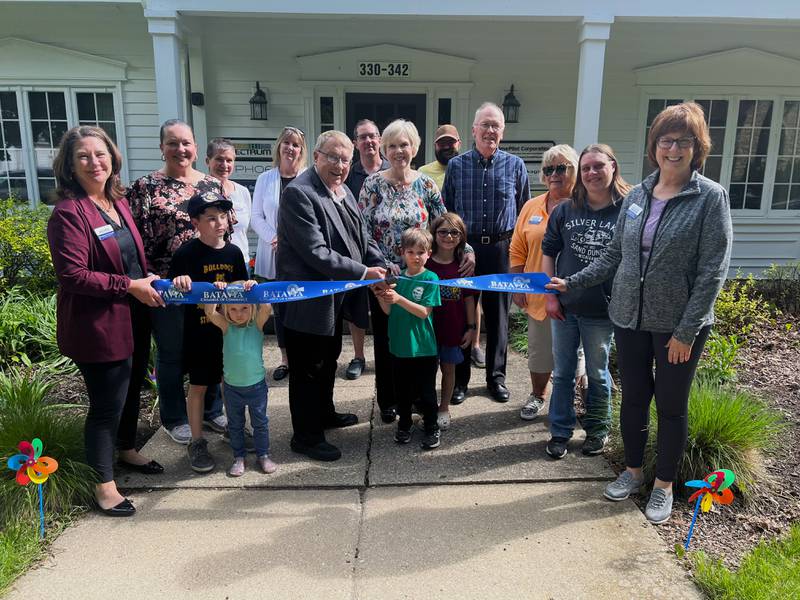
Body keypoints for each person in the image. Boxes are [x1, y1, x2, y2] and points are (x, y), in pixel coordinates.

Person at [547, 102, 733, 524]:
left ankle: (663, 487)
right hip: (629, 318)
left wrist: (687, 330)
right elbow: (615, 255)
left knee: (670, 405)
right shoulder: (638, 196)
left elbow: (712, 272)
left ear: (697, 147)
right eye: (666, 140)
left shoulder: (710, 198)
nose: (674, 148)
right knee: (633, 399)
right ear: (654, 147)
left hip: (677, 326)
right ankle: (633, 473)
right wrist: (571, 282)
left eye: (683, 141)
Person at [48, 126, 165, 517]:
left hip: (132, 316)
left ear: (112, 158)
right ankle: (104, 484)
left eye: (100, 154)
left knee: (132, 390)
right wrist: (129, 285)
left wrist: (145, 281)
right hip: (97, 324)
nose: (94, 162)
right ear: (69, 165)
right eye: (83, 156)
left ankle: (127, 449)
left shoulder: (117, 203)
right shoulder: (69, 213)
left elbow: (131, 259)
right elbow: (73, 275)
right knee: (105, 405)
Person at [276, 130, 387, 462]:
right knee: (307, 367)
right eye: (333, 157)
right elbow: (316, 252)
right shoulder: (299, 194)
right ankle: (306, 437)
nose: (339, 165)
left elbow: (361, 235)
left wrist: (377, 261)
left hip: (335, 299)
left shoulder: (342, 190)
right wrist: (363, 273)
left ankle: (323, 415)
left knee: (327, 360)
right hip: (307, 301)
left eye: (345, 159)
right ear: (317, 157)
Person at [358, 119, 471, 425]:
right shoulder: (372, 184)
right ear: (385, 149)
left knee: (421, 341)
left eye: (404, 145)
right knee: (387, 340)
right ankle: (389, 400)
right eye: (392, 145)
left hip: (420, 277)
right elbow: (363, 231)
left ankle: (421, 397)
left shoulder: (426, 184)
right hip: (385, 277)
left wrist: (467, 249)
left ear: (414, 148)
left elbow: (443, 224)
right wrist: (381, 264)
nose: (398, 151)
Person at [128, 119, 228, 445]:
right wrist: (146, 280)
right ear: (161, 148)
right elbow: (135, 241)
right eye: (172, 143)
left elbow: (225, 229)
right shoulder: (145, 188)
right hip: (168, 288)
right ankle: (174, 417)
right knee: (171, 352)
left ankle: (212, 410)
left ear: (196, 148)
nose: (180, 149)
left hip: (210, 285)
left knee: (211, 346)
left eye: (186, 142)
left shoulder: (212, 185)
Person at [541, 144, 631, 460]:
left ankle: (597, 431)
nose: (592, 172)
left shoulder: (627, 210)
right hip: (565, 306)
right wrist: (551, 296)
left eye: (598, 166)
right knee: (563, 372)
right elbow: (549, 252)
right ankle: (560, 432)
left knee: (598, 372)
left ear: (613, 167)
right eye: (587, 167)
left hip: (603, 310)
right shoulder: (565, 209)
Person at [443, 102, 530, 403]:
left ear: (502, 132)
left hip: (501, 249)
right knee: (463, 314)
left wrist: (520, 258)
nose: (490, 131)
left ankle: (496, 378)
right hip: (466, 251)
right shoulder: (456, 166)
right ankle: (460, 381)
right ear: (474, 130)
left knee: (498, 317)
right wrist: (456, 248)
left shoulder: (516, 166)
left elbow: (523, 215)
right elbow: (447, 214)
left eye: (496, 126)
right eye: (485, 124)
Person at [168, 191, 248, 473]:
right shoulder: (186, 254)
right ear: (195, 222)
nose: (219, 223)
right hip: (199, 334)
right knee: (199, 387)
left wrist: (242, 287)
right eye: (211, 218)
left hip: (230, 334)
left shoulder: (234, 252)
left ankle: (234, 430)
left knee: (232, 384)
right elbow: (173, 291)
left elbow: (242, 285)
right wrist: (179, 281)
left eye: (223, 217)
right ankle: (197, 441)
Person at [509, 145, 580, 420]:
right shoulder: (532, 206)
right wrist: (517, 284)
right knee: (539, 351)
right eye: (549, 169)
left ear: (574, 171)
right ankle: (538, 395)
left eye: (561, 168)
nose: (554, 174)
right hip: (539, 293)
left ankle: (575, 404)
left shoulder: (585, 205)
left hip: (576, 295)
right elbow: (517, 249)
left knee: (578, 356)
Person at [421, 124, 488, 370]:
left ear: (459, 143)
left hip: (462, 240)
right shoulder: (425, 173)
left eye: (451, 142)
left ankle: (475, 344)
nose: (447, 147)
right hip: (440, 242)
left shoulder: (466, 167)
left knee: (469, 294)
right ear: (435, 146)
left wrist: (464, 246)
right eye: (442, 143)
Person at [376, 228, 442, 449]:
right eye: (411, 252)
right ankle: (404, 425)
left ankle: (432, 427)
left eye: (421, 252)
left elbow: (424, 312)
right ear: (402, 253)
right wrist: (381, 296)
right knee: (402, 392)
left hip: (424, 348)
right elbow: (387, 311)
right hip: (399, 346)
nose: (416, 256)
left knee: (427, 392)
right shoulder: (397, 278)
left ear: (429, 254)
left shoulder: (431, 278)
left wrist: (398, 298)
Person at [250, 126, 308, 381]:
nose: (290, 148)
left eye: (296, 144)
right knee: (281, 310)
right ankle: (285, 359)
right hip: (272, 253)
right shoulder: (265, 179)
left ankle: (302, 356)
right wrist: (274, 238)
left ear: (302, 151)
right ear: (279, 147)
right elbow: (256, 216)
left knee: (302, 306)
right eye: (286, 143)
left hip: (302, 257)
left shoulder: (308, 178)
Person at [203, 282, 276, 477]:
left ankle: (263, 454)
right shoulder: (226, 326)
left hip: (257, 387)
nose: (239, 313)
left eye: (244, 308)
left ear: (252, 307)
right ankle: (239, 457)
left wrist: (255, 289)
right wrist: (216, 292)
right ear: (226, 310)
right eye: (233, 309)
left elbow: (267, 307)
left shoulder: (257, 325)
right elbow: (210, 312)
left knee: (260, 423)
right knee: (235, 425)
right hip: (232, 388)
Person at [343, 119, 390, 380]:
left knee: (387, 307)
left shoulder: (390, 168)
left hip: (387, 252)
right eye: (363, 137)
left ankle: (389, 355)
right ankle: (359, 356)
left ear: (380, 139)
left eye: (373, 136)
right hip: (356, 250)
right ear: (355, 143)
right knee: (356, 305)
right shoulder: (348, 173)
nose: (368, 141)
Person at [426, 213, 477, 430]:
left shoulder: (462, 266)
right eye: (443, 231)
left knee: (449, 370)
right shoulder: (424, 263)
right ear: (434, 234)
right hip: (426, 330)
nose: (448, 236)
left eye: (454, 232)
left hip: (453, 329)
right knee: (427, 372)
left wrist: (472, 328)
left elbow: (468, 298)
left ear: (461, 237)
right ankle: (426, 407)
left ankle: (444, 407)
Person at [205, 138, 252, 266]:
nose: (224, 165)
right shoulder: (200, 192)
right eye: (219, 159)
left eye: (229, 160)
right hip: (210, 262)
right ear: (207, 161)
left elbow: (244, 229)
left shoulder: (242, 192)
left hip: (240, 262)